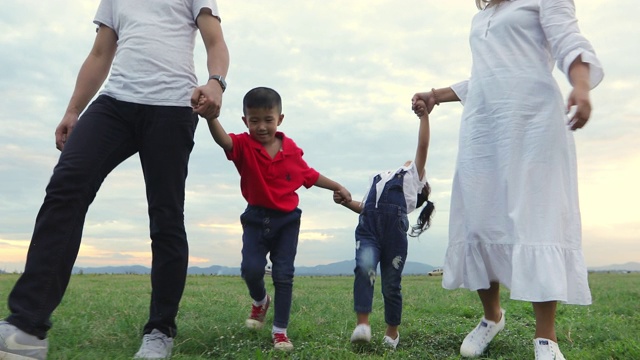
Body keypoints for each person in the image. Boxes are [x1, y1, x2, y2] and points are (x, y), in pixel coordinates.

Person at [0, 1, 229, 359]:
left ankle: (159, 331)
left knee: (166, 217)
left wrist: (216, 82)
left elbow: (214, 40)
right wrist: (74, 109)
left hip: (172, 106)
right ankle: (27, 327)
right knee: (66, 186)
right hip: (115, 103)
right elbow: (100, 53)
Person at [412, 0, 603, 359]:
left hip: (532, 121)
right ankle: (491, 317)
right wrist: (436, 95)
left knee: (536, 218)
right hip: (483, 127)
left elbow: (568, 38)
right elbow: (488, 75)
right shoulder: (481, 16)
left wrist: (581, 85)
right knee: (481, 219)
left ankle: (546, 339)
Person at [201, 86, 352, 351]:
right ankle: (260, 301)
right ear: (245, 120)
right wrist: (211, 117)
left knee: (284, 275)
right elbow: (224, 141)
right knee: (251, 269)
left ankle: (280, 332)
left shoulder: (291, 150)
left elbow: (309, 175)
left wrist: (337, 186)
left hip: (287, 221)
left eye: (268, 120)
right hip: (256, 218)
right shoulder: (244, 145)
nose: (261, 127)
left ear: (280, 119)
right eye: (254, 120)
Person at [334, 99, 435, 350]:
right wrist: (346, 202)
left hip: (394, 232)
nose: (409, 162)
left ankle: (392, 331)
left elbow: (422, 145)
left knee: (391, 283)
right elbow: (365, 207)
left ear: (420, 186)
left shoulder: (413, 178)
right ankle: (363, 324)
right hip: (368, 226)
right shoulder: (378, 177)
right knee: (364, 268)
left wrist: (424, 116)